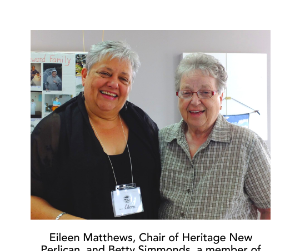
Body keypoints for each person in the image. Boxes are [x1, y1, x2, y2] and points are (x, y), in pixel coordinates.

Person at [31, 41, 161, 220]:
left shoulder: (145, 125)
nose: (114, 84)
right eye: (105, 73)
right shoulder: (53, 129)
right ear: (85, 76)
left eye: (123, 79)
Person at [158, 53, 270, 220]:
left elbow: (270, 208)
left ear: (220, 97)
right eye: (187, 93)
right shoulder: (162, 140)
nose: (195, 101)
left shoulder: (247, 143)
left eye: (205, 92)